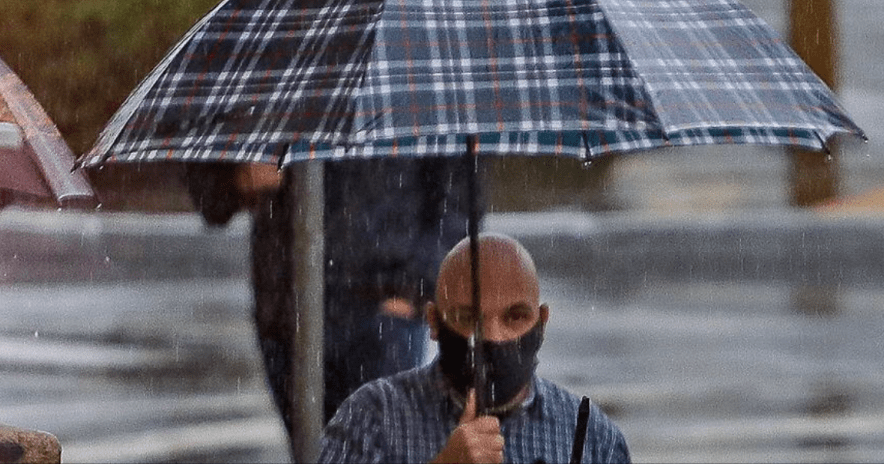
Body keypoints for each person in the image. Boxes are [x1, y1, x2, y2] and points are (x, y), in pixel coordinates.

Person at [183, 156, 476, 437]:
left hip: (381, 312)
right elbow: (208, 190)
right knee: (313, 451)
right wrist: (240, 177)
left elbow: (461, 188)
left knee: (378, 446)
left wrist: (417, 286)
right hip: (287, 312)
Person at [319, 233, 631, 464]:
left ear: (541, 322)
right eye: (468, 318)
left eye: (515, 316)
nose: (493, 337)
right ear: (434, 322)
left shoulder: (590, 435)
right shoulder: (373, 417)